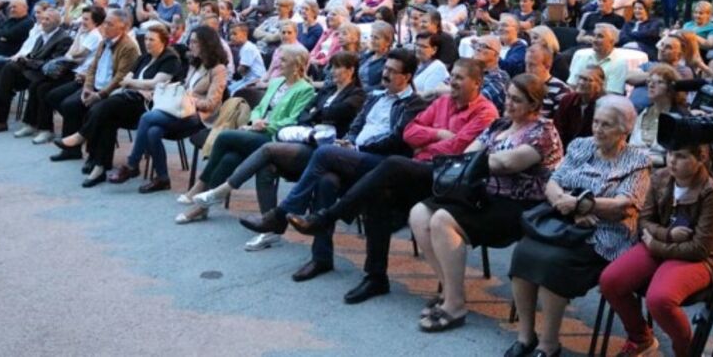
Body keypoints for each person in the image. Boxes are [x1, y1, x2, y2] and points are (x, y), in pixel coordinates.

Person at [279, 60, 499, 303]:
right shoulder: (442, 102)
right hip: (418, 170)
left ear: (477, 83)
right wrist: (436, 134)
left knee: (389, 163)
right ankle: (375, 277)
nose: (452, 82)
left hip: (448, 178)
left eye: (459, 78)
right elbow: (410, 133)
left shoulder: (485, 112)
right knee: (375, 194)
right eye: (452, 76)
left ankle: (325, 217)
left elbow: (458, 148)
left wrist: (426, 144)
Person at [237, 49, 428, 271]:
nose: (385, 74)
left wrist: (357, 146)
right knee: (326, 181)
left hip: (384, 164)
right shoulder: (375, 95)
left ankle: (280, 215)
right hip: (357, 155)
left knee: (324, 153)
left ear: (407, 77)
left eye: (392, 72)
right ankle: (321, 258)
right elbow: (358, 124)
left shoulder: (414, 104)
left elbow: (397, 139)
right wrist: (348, 141)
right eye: (385, 68)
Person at [409, 74, 564, 332]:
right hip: (484, 194)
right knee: (419, 213)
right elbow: (469, 151)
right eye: (508, 97)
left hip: (520, 205)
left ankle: (455, 306)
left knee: (442, 220)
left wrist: (476, 162)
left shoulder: (543, 131)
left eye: (517, 100)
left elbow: (507, 163)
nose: (509, 103)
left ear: (534, 105)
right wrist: (475, 161)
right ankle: (450, 290)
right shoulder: (499, 124)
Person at [178, 51, 365, 254]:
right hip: (291, 137)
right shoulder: (323, 90)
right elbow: (294, 115)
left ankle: (209, 190)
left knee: (229, 139)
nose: (332, 71)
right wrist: (253, 122)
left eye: (337, 67)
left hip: (283, 138)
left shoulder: (346, 93)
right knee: (245, 160)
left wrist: (272, 124)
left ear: (350, 70)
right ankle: (268, 230)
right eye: (332, 66)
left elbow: (313, 116)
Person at [507, 96, 651, 357]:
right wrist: (565, 202)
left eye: (606, 125)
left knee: (553, 263)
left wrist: (581, 204)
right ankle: (526, 335)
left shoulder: (637, 161)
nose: (597, 129)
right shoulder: (580, 146)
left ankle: (548, 344)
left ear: (624, 130)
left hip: (606, 234)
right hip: (564, 224)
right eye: (596, 122)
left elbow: (624, 206)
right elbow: (553, 182)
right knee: (523, 253)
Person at [600, 142, 713, 357]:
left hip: (701, 259)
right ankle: (641, 338)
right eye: (670, 153)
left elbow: (698, 249)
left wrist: (655, 244)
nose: (672, 160)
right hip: (663, 245)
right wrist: (668, 235)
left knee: (660, 300)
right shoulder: (661, 177)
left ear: (702, 158)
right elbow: (643, 222)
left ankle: (687, 351)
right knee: (610, 281)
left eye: (680, 155)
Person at [176, 44, 315, 219]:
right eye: (279, 58)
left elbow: (293, 120)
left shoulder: (305, 90)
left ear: (296, 65)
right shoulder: (277, 82)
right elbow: (260, 107)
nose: (278, 62)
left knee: (225, 136)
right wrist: (253, 121)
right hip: (257, 131)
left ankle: (201, 184)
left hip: (275, 138)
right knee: (230, 158)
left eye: (284, 59)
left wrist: (266, 124)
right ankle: (203, 207)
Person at [55, 23, 181, 187]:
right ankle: (100, 167)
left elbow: (156, 83)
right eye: (147, 39)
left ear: (164, 41)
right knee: (107, 116)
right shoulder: (144, 57)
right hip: (131, 99)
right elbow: (125, 80)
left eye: (152, 39)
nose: (148, 42)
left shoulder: (170, 59)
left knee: (106, 105)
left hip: (148, 106)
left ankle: (81, 136)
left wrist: (134, 83)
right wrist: (138, 85)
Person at [108, 25, 229, 191]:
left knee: (147, 118)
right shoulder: (194, 63)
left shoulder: (218, 69)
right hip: (181, 110)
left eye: (195, 42)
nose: (190, 45)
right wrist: (171, 91)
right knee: (153, 131)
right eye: (190, 41)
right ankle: (163, 179)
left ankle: (131, 165)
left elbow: (212, 104)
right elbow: (185, 88)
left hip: (200, 117)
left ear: (206, 44)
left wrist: (188, 99)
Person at [47, 9, 140, 165]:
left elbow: (120, 77)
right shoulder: (104, 42)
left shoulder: (128, 47)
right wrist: (87, 87)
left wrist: (100, 95)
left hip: (112, 92)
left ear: (122, 27)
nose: (104, 27)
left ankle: (94, 157)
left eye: (110, 24)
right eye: (105, 23)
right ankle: (71, 150)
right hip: (95, 87)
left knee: (96, 111)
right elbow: (92, 67)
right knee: (69, 105)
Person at [15, 6, 105, 144]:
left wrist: (74, 53)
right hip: (72, 70)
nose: (82, 22)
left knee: (44, 89)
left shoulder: (94, 36)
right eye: (82, 18)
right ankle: (31, 124)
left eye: (86, 19)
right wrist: (79, 38)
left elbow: (77, 54)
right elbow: (70, 54)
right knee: (35, 84)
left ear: (96, 22)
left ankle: (47, 130)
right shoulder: (84, 32)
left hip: (80, 75)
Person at [0, 8, 73, 134]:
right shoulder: (42, 35)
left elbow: (52, 65)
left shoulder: (64, 39)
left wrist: (27, 62)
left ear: (57, 22)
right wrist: (26, 60)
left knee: (9, 69)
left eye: (47, 19)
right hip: (32, 71)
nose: (43, 22)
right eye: (42, 18)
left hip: (45, 75)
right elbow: (33, 55)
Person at [628, 64, 686, 167]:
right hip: (631, 166)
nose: (651, 85)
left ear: (671, 88)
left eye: (659, 82)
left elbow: (681, 156)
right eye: (649, 81)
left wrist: (646, 160)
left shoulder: (679, 117)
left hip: (663, 172)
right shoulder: (641, 112)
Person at [553, 64, 605, 149]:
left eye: (587, 80)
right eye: (580, 78)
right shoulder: (567, 100)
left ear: (599, 86)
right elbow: (558, 129)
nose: (581, 82)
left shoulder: (604, 105)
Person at [568, 24, 628, 94]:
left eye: (600, 36)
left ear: (612, 42)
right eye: (594, 36)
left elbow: (613, 93)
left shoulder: (619, 63)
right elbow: (572, 85)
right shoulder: (583, 56)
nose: (594, 40)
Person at [358, 21, 394, 92]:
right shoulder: (367, 56)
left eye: (376, 38)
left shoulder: (388, 61)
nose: (372, 41)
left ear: (388, 42)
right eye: (372, 37)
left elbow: (384, 86)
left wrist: (360, 91)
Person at [413, 32, 450, 97]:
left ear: (434, 50)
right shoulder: (417, 64)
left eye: (423, 46)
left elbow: (428, 98)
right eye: (417, 45)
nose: (418, 49)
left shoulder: (438, 68)